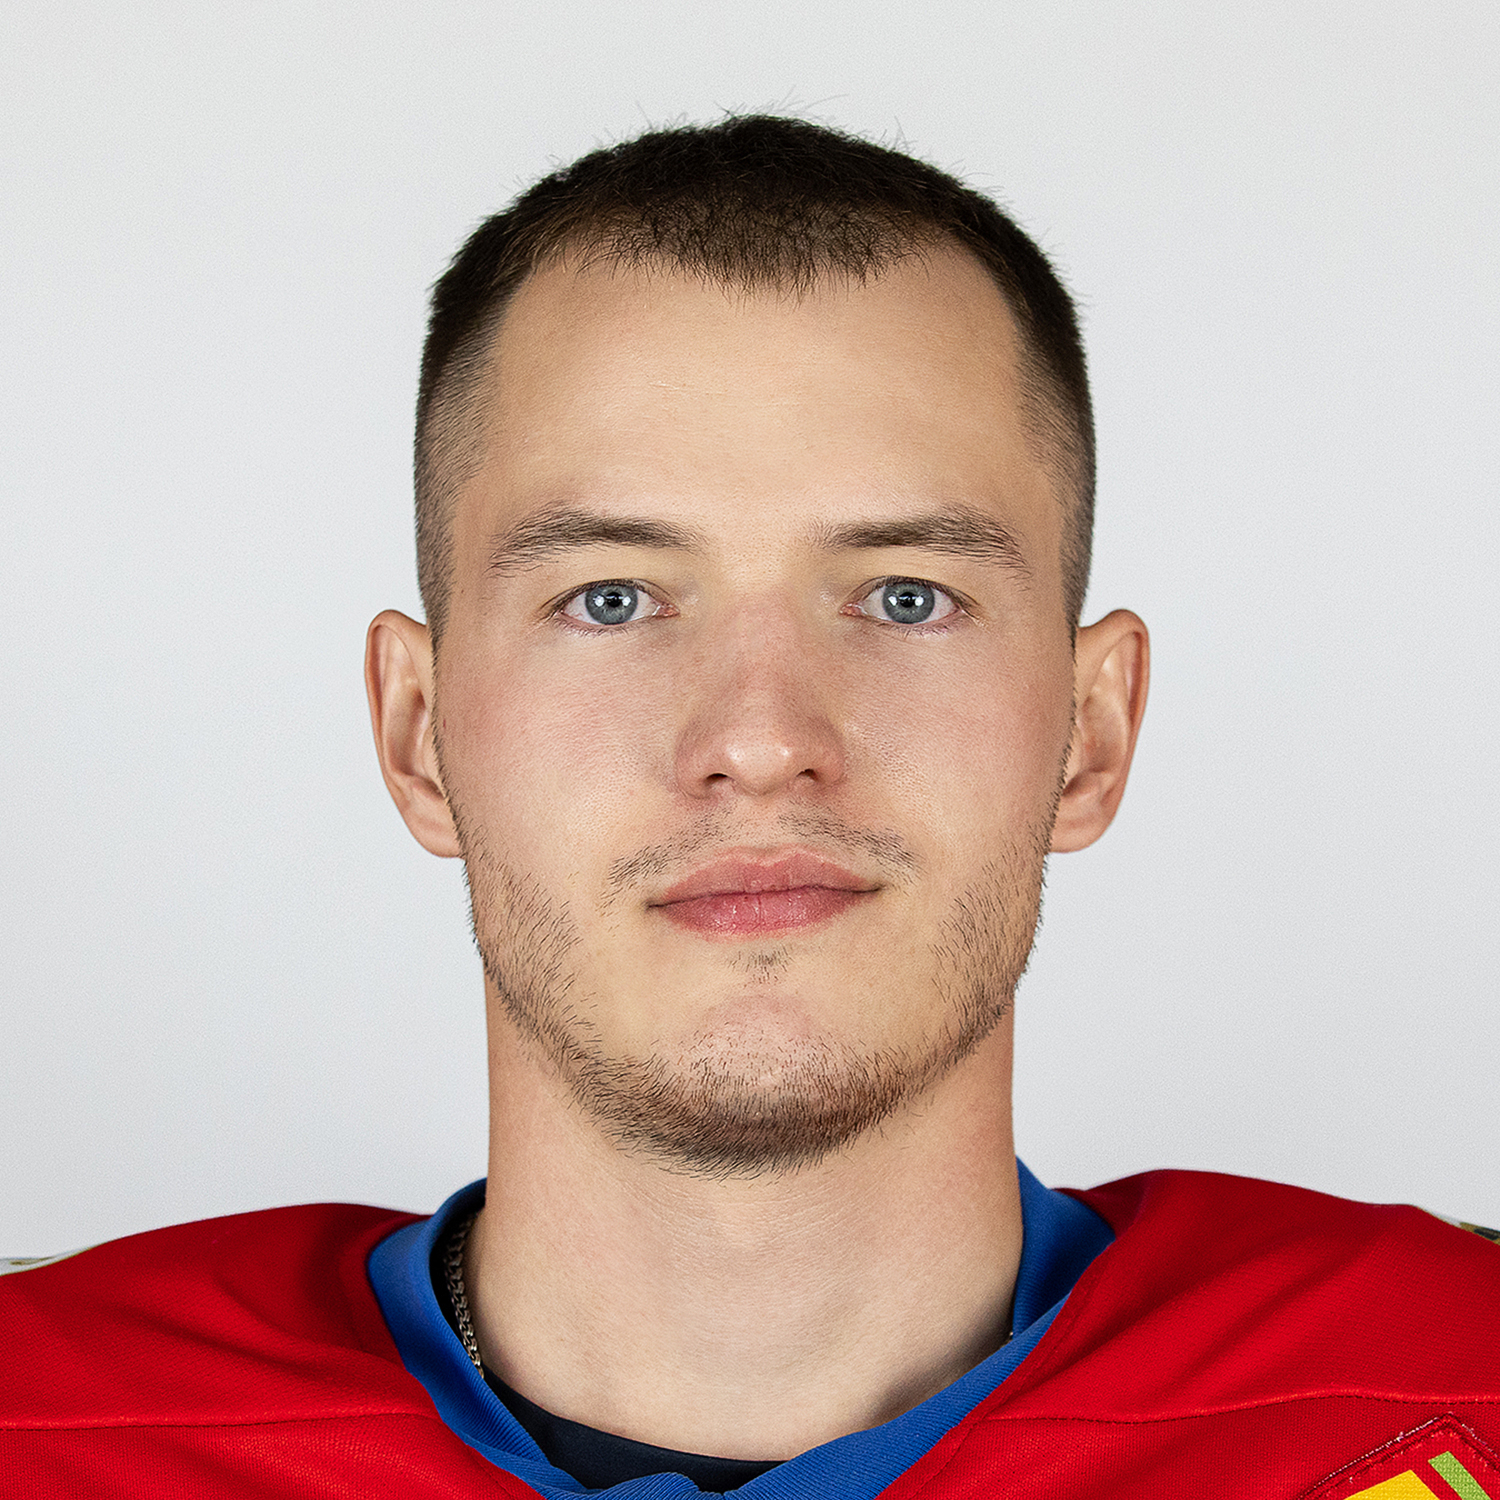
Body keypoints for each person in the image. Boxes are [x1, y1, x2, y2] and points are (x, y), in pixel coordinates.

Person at [4, 114, 1498, 1500]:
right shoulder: (44, 1424)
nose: (764, 741)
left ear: (1091, 733)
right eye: (611, 597)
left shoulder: (1453, 1386)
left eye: (906, 596)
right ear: (418, 735)